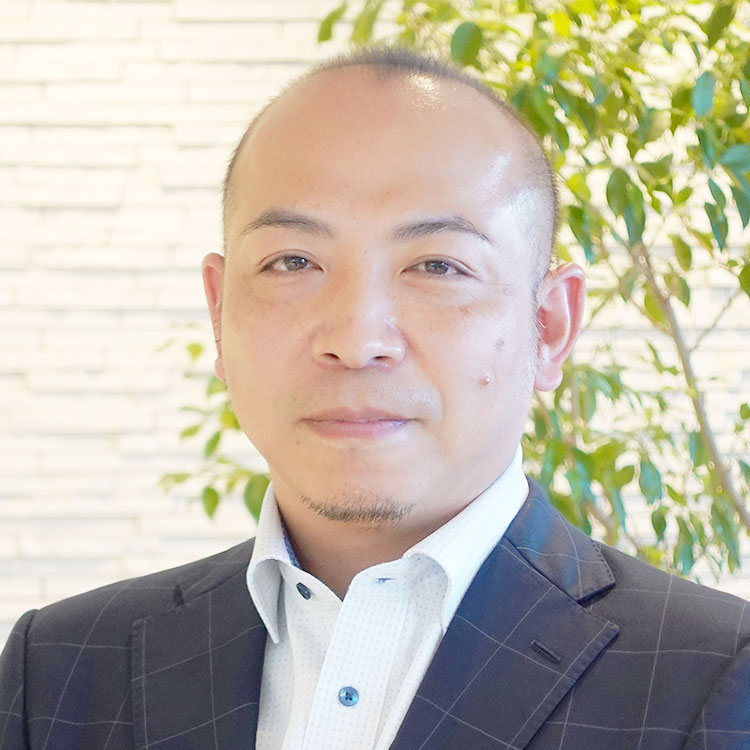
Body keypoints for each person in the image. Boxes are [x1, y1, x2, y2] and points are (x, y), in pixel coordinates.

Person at [1, 46, 748, 750]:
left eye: (438, 266)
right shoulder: (58, 670)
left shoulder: (713, 679)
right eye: (293, 261)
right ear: (219, 313)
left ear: (549, 326)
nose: (356, 341)